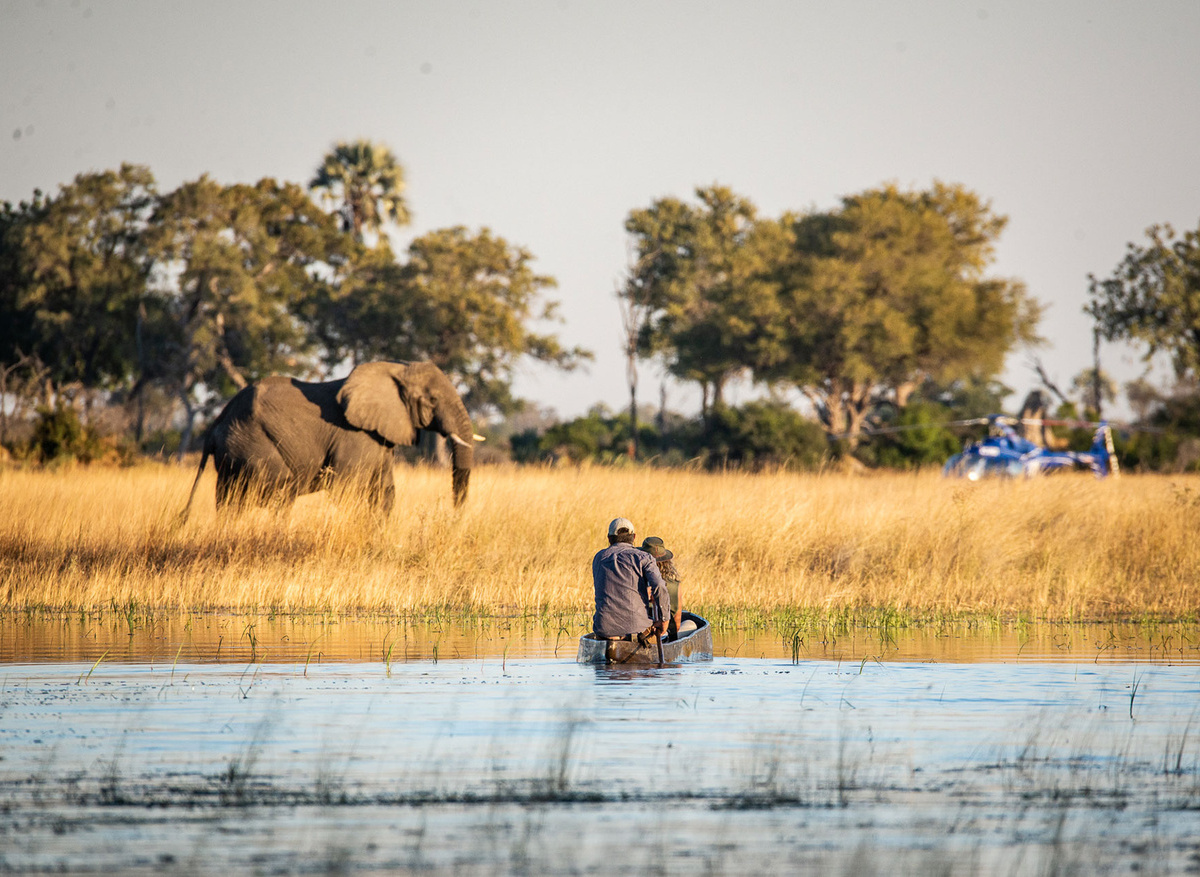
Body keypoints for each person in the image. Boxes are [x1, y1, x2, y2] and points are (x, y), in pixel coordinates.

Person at [592, 517, 669, 642]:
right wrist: (664, 618)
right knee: (662, 635)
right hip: (637, 631)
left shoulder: (599, 557)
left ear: (609, 538)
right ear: (634, 537)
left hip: (603, 630)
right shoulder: (644, 557)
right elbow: (659, 585)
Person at [638, 536, 697, 640]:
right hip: (663, 633)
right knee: (691, 624)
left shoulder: (636, 582)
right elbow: (676, 624)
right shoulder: (675, 585)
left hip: (639, 632)